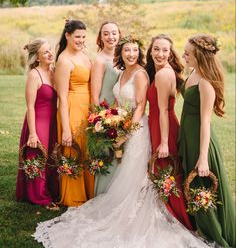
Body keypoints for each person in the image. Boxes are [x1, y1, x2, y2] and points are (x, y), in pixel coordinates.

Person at [34, 36, 209, 248]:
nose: (131, 54)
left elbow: (141, 106)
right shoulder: (122, 73)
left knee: (136, 176)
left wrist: (126, 133)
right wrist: (108, 121)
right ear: (121, 52)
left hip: (137, 130)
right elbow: (118, 102)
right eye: (127, 50)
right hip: (123, 126)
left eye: (135, 50)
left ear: (140, 52)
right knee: (125, 174)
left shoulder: (142, 74)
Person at [179, 34, 235, 247]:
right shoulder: (193, 72)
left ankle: (215, 235)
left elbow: (205, 123)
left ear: (200, 56)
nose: (183, 56)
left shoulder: (206, 84)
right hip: (187, 136)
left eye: (187, 54)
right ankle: (202, 228)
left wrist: (203, 158)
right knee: (191, 187)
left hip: (199, 141)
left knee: (201, 188)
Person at [146, 34, 193, 230]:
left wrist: (164, 142)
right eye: (156, 49)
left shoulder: (163, 74)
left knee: (166, 171)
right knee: (165, 172)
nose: (160, 53)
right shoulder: (160, 71)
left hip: (163, 127)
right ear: (150, 51)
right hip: (159, 123)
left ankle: (177, 216)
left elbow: (164, 110)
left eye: (165, 50)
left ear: (170, 52)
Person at [55, 19, 94, 207]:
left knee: (87, 150)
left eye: (83, 37)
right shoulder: (64, 60)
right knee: (74, 149)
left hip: (86, 108)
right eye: (77, 37)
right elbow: (61, 97)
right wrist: (66, 129)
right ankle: (74, 196)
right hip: (71, 109)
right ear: (67, 36)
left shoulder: (83, 54)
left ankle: (89, 191)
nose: (81, 40)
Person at [16, 38, 59, 209]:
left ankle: (51, 190)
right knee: (38, 156)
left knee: (52, 157)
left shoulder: (54, 71)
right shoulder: (35, 75)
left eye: (50, 50)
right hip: (38, 122)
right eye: (45, 52)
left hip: (53, 122)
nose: (50, 54)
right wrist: (32, 133)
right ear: (37, 57)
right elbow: (30, 107)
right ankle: (39, 196)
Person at [91, 21, 121, 196]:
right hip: (105, 113)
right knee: (107, 155)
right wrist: (100, 120)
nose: (111, 37)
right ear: (101, 37)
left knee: (120, 154)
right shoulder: (100, 60)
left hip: (120, 112)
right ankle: (103, 195)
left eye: (114, 33)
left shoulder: (122, 56)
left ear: (119, 34)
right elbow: (95, 94)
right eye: (106, 33)